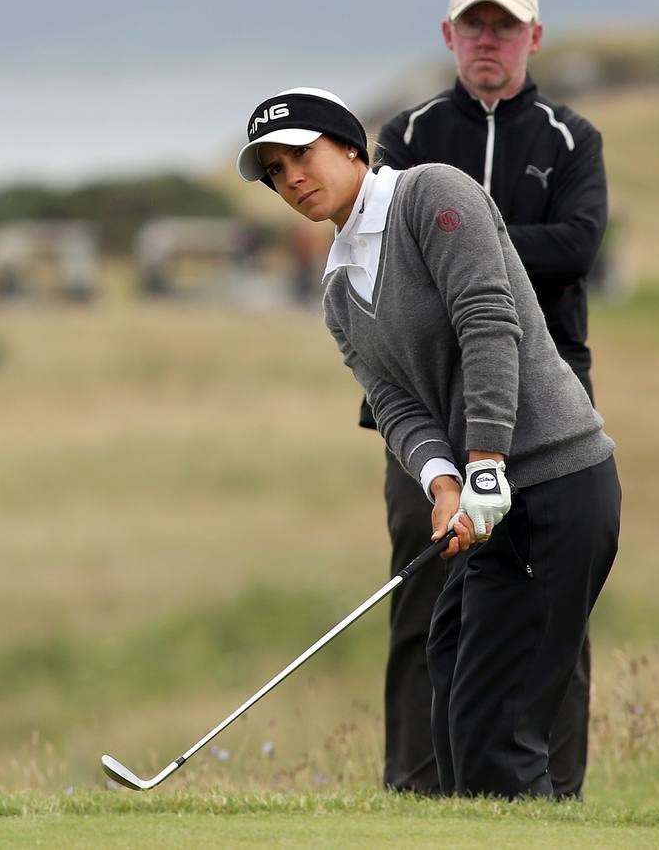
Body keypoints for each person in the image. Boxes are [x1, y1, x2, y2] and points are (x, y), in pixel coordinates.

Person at [235, 86, 619, 798]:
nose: (289, 178)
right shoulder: (339, 288)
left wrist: (484, 462)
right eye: (273, 171)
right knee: (449, 687)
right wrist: (444, 485)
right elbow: (396, 406)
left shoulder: (431, 194)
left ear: (350, 146)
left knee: (500, 734)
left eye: (301, 155)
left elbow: (487, 320)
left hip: (556, 480)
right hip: (488, 497)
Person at [370, 0, 609, 798]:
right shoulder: (407, 137)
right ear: (449, 36)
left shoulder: (570, 139)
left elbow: (579, 246)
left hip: (548, 405)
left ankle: (557, 786)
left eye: (503, 26)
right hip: (432, 406)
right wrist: (503, 253)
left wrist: (475, 250)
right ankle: (417, 786)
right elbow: (391, 266)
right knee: (422, 590)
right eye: (472, 25)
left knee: (555, 604)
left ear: (532, 38)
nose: (487, 39)